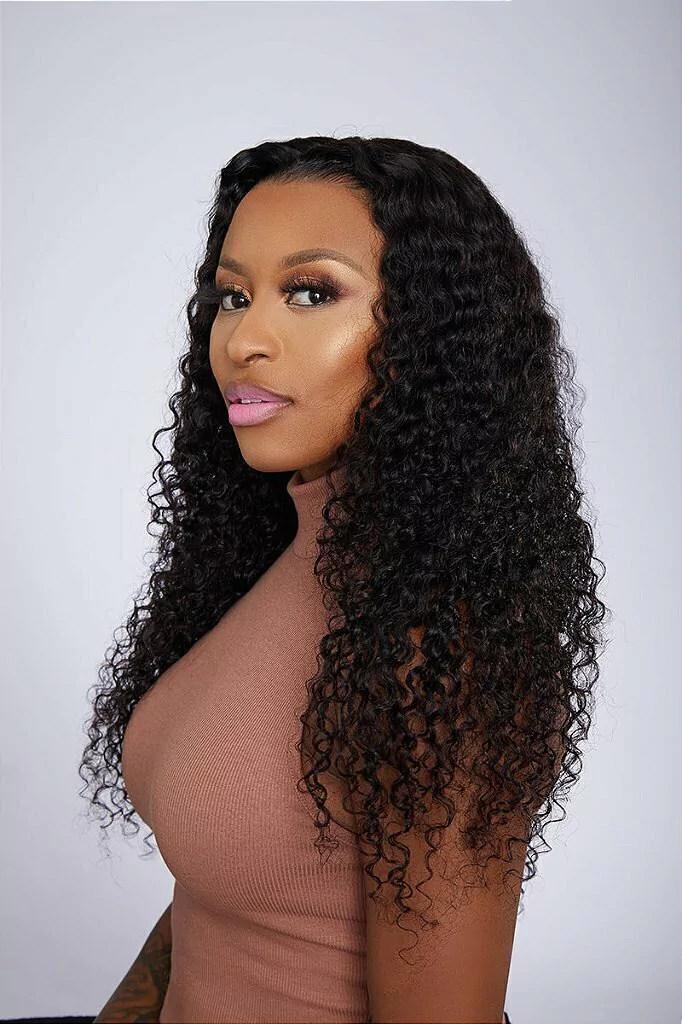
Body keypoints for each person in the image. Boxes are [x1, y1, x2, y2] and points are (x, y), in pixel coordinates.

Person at [78, 135, 608, 1023]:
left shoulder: (436, 658)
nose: (243, 340)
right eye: (233, 296)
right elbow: (224, 897)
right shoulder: (283, 559)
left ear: (431, 335)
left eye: (311, 292)